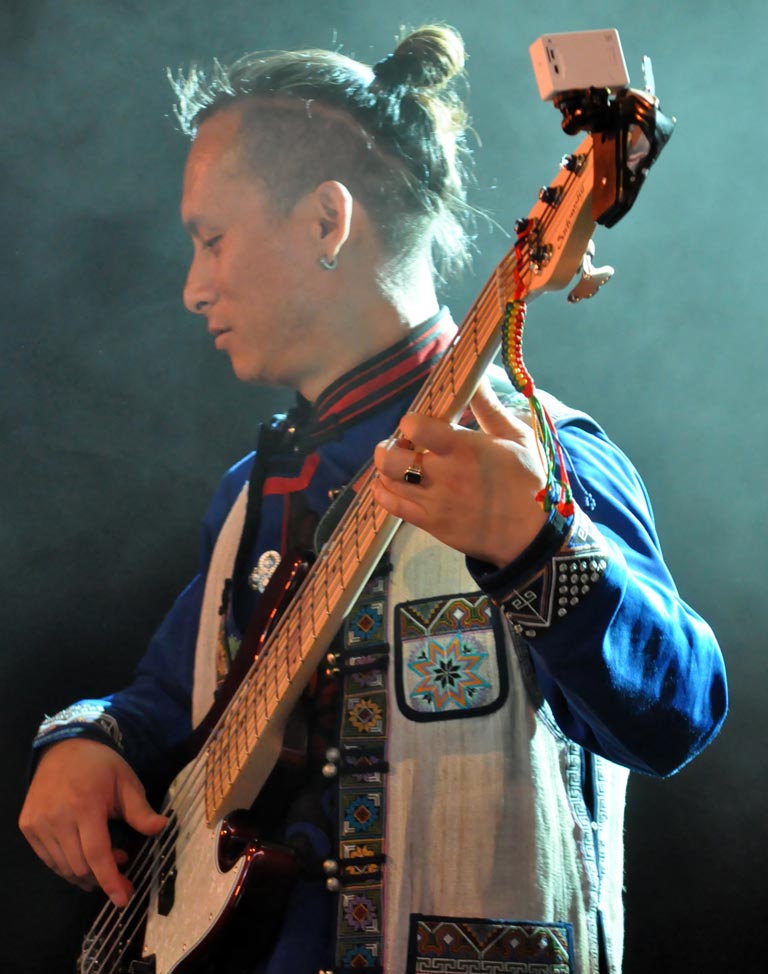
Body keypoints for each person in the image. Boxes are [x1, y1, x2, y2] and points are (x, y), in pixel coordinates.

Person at [19, 24, 726, 974]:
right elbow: (174, 699)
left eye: (211, 240)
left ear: (327, 222)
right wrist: (86, 742)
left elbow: (680, 712)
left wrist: (541, 545)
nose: (192, 289)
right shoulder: (253, 492)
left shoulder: (535, 451)